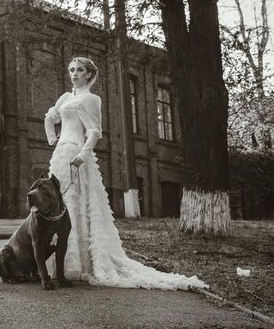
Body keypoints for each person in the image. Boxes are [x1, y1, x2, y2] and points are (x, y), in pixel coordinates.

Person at [44, 57, 207, 290]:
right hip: (60, 153)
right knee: (57, 201)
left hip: (77, 154)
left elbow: (94, 131)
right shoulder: (65, 97)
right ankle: (54, 263)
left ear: (89, 74)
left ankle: (76, 263)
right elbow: (50, 117)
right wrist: (53, 139)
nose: (74, 74)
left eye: (79, 70)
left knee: (75, 203)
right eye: (71, 70)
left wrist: (82, 154)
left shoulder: (92, 99)